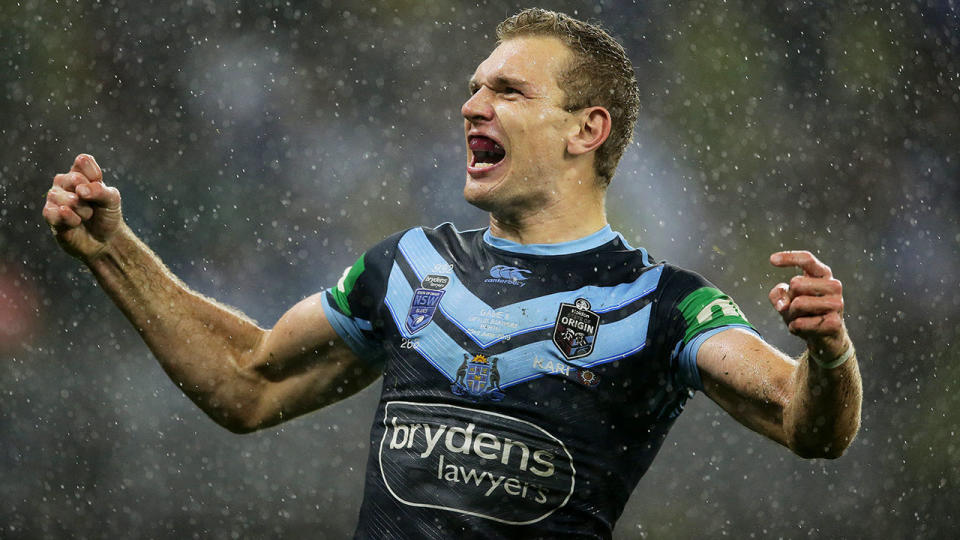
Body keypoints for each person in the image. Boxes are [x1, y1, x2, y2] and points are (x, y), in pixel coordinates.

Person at [43, 8, 861, 539]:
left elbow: (808, 425)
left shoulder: (662, 304)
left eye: (507, 89)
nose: (473, 105)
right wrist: (113, 251)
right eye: (472, 88)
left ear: (587, 130)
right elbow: (246, 383)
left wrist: (829, 356)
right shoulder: (406, 268)